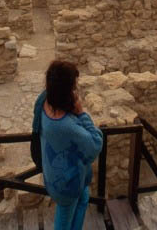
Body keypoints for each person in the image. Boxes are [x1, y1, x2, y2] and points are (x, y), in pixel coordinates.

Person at [31, 61, 103, 230]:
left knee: (83, 199)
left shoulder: (44, 99)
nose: (75, 90)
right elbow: (95, 144)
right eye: (73, 87)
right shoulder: (66, 126)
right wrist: (82, 113)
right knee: (64, 220)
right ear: (66, 91)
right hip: (66, 184)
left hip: (58, 174)